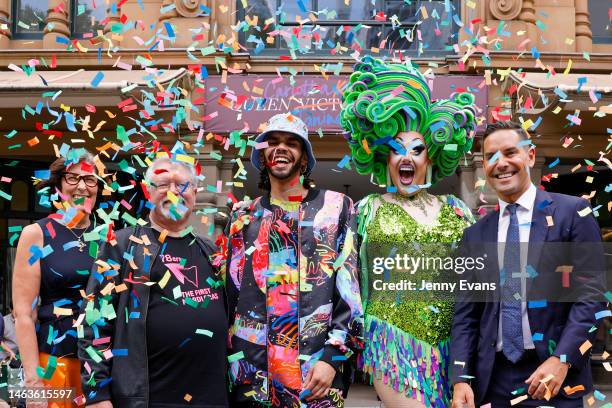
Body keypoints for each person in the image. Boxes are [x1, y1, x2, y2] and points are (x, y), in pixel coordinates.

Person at [339, 56, 478, 408]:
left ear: (430, 158)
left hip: (454, 348)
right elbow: (347, 281)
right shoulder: (367, 209)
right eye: (397, 150)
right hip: (391, 342)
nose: (407, 158)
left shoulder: (457, 210)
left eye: (417, 150)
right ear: (385, 159)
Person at [451, 121, 606, 407]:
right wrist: (460, 378)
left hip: (555, 380)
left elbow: (592, 297)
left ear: (531, 156)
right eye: (491, 156)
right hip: (491, 383)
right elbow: (466, 315)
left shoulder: (573, 214)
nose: (502, 163)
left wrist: (561, 360)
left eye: (511, 152)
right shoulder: (475, 235)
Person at [214, 112, 364, 407]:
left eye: (291, 143)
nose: (281, 147)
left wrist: (333, 357)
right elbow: (228, 292)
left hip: (315, 375)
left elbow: (350, 291)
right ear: (262, 155)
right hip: (251, 375)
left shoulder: (336, 208)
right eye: (272, 141)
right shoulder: (243, 215)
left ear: (304, 159)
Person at [78, 155, 228, 408]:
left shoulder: (211, 251)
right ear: (148, 192)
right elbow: (93, 322)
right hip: (148, 399)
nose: (173, 192)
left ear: (194, 192)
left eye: (182, 185)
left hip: (211, 398)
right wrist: (96, 396)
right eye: (162, 184)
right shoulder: (121, 246)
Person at [13, 150, 102, 408]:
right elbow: (23, 314)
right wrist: (33, 385)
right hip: (54, 367)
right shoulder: (36, 234)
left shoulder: (110, 236)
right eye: (73, 178)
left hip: (100, 370)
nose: (82, 186)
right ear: (59, 185)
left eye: (90, 179)